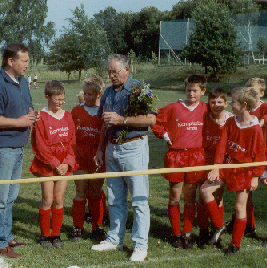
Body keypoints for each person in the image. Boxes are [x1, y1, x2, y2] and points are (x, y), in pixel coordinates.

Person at [91, 54, 156, 262]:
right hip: (112, 149)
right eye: (109, 71)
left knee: (138, 199)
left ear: (127, 69)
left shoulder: (140, 89)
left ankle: (140, 245)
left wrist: (122, 119)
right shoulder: (108, 92)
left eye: (115, 71)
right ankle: (114, 238)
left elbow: (151, 118)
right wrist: (101, 149)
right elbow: (104, 123)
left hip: (133, 148)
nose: (111, 75)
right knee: (115, 197)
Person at [0, 42, 39, 258]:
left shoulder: (22, 82)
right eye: (24, 60)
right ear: (10, 61)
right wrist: (20, 121)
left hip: (17, 146)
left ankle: (6, 234)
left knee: (11, 195)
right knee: (0, 197)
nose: (27, 65)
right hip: (2, 148)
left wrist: (31, 115)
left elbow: (26, 107)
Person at [204, 87, 265, 255]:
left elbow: (260, 155)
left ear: (244, 105)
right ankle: (219, 226)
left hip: (244, 171)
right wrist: (216, 165)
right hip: (227, 164)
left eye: (234, 102)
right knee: (205, 190)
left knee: (240, 207)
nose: (230, 104)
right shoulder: (231, 122)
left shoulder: (255, 128)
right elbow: (222, 145)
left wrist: (255, 177)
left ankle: (235, 244)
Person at [151, 75, 208, 249]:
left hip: (196, 157)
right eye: (189, 90)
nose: (191, 93)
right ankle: (176, 233)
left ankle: (187, 233)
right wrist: (164, 134)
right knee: (175, 197)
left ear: (203, 91)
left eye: (195, 91)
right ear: (185, 89)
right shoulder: (174, 107)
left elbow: (223, 116)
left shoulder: (206, 109)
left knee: (190, 197)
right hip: (176, 156)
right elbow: (153, 119)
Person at [29, 80, 78, 249]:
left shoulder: (68, 116)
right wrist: (55, 163)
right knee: (47, 199)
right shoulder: (40, 117)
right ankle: (45, 235)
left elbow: (72, 141)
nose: (60, 102)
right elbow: (40, 145)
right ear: (47, 97)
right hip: (48, 165)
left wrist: (67, 163)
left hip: (64, 165)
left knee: (59, 199)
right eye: (57, 99)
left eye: (62, 99)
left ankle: (55, 235)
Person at [226, 78, 267, 237]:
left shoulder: (263, 107)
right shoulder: (244, 109)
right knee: (246, 194)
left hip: (263, 155)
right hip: (251, 157)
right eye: (247, 90)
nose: (250, 94)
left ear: (261, 93)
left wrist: (250, 123)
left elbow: (260, 124)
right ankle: (249, 225)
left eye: (254, 91)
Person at [70, 75, 106, 242]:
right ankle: (77, 226)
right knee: (80, 191)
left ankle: (97, 227)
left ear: (99, 94)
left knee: (95, 192)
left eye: (90, 94)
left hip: (97, 155)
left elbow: (105, 135)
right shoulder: (77, 110)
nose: (86, 97)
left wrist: (100, 151)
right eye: (85, 93)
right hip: (80, 154)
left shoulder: (104, 111)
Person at [197, 87, 232, 246]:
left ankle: (217, 227)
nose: (216, 105)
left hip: (223, 162)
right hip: (205, 159)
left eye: (219, 102)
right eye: (213, 101)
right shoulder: (204, 117)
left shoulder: (231, 120)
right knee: (203, 197)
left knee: (216, 194)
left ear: (226, 103)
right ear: (208, 103)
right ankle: (206, 230)